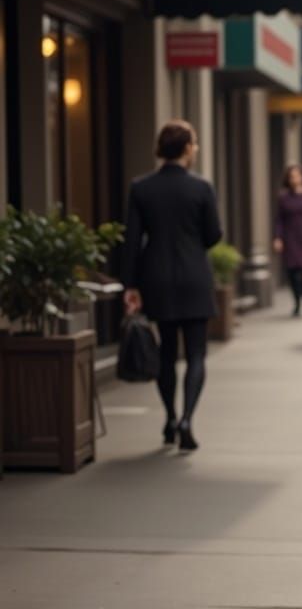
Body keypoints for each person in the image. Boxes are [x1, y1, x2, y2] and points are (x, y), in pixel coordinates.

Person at [122, 120, 223, 451]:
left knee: (167, 352)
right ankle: (187, 419)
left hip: (157, 278)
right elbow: (213, 235)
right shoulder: (201, 188)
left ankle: (168, 417)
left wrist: (131, 285)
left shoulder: (141, 187)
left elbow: (132, 240)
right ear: (187, 148)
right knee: (196, 353)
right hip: (195, 275)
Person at [273, 163, 302, 316]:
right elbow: (279, 219)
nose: (294, 179)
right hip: (290, 238)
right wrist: (278, 238)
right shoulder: (284, 197)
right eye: (291, 177)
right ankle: (297, 301)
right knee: (292, 272)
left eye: (297, 176)